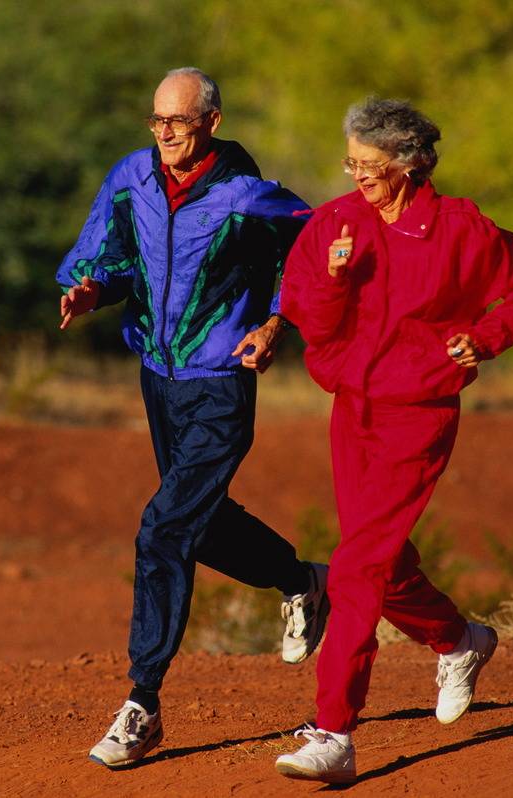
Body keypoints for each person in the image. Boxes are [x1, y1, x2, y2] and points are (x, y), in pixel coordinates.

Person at [272, 96, 513, 783]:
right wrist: (336, 277)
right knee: (381, 559)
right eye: (351, 162)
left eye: (371, 165)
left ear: (411, 164)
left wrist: (483, 339)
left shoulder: (459, 227)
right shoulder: (338, 221)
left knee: (355, 568)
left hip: (420, 409)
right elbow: (308, 312)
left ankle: (334, 733)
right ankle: (458, 641)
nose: (358, 176)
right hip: (354, 406)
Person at [56, 67, 330, 769]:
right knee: (198, 525)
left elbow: (317, 244)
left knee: (163, 529)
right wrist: (92, 292)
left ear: (211, 121)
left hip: (219, 383)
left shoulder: (247, 195)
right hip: (159, 377)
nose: (165, 133)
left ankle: (141, 702)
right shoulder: (131, 178)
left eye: (177, 121)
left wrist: (275, 323)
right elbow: (119, 266)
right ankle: (302, 581)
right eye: (156, 121)